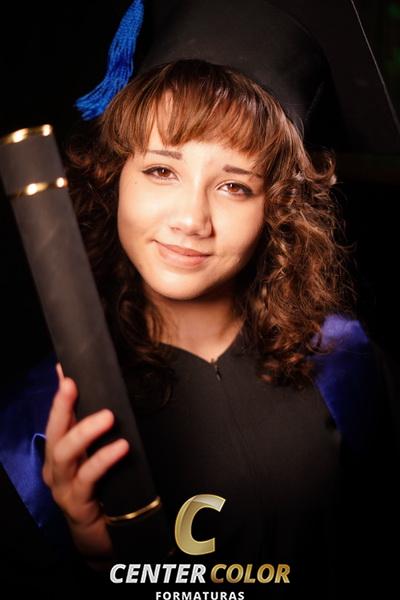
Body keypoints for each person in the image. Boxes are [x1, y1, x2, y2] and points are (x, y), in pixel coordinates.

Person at [1, 0, 398, 597]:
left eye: (235, 186)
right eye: (162, 171)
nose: (192, 219)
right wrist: (97, 559)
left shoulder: (350, 365)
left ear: (279, 208)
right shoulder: (38, 430)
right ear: (115, 174)